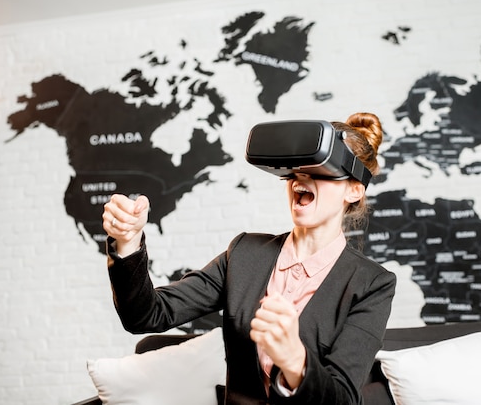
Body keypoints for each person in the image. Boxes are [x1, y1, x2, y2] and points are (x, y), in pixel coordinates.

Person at [102, 112, 397, 404]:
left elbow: (343, 399)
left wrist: (296, 362)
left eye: (320, 169)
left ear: (354, 190)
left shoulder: (372, 284)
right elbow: (147, 315)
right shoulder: (245, 253)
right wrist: (128, 243)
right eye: (294, 169)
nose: (300, 178)